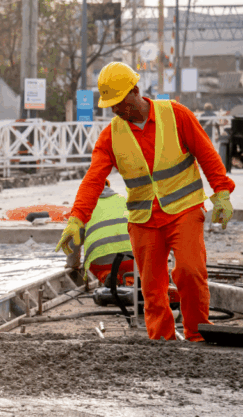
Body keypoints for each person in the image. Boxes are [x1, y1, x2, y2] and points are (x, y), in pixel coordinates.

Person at [56, 62, 235, 342]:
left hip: (184, 210)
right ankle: (162, 340)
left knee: (190, 272)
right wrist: (77, 219)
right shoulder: (110, 136)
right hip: (143, 219)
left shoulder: (176, 115)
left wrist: (221, 193)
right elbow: (93, 180)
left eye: (119, 102)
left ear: (136, 91)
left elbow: (207, 155)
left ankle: (198, 334)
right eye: (110, 105)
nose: (115, 109)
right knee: (151, 287)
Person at [65, 180, 134, 286]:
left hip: (101, 259)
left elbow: (74, 241)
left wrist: (73, 264)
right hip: (131, 255)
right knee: (131, 268)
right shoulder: (123, 200)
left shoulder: (83, 207)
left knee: (97, 263)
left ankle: (106, 275)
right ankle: (130, 280)